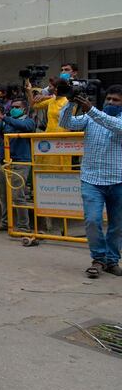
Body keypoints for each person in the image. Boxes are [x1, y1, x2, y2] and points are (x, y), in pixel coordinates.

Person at [59, 85, 122, 278]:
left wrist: (90, 109)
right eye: (108, 99)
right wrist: (70, 101)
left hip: (119, 180)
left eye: (116, 100)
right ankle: (98, 259)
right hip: (92, 180)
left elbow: (115, 126)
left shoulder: (107, 117)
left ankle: (112, 261)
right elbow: (65, 122)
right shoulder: (90, 118)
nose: (110, 102)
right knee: (93, 221)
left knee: (117, 225)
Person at [0, 98, 36, 233]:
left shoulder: (29, 121)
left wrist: (3, 117)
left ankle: (23, 226)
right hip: (4, 163)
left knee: (18, 196)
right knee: (3, 196)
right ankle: (5, 223)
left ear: (24, 109)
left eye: (17, 107)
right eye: (12, 106)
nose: (13, 109)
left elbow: (25, 127)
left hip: (20, 163)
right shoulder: (6, 122)